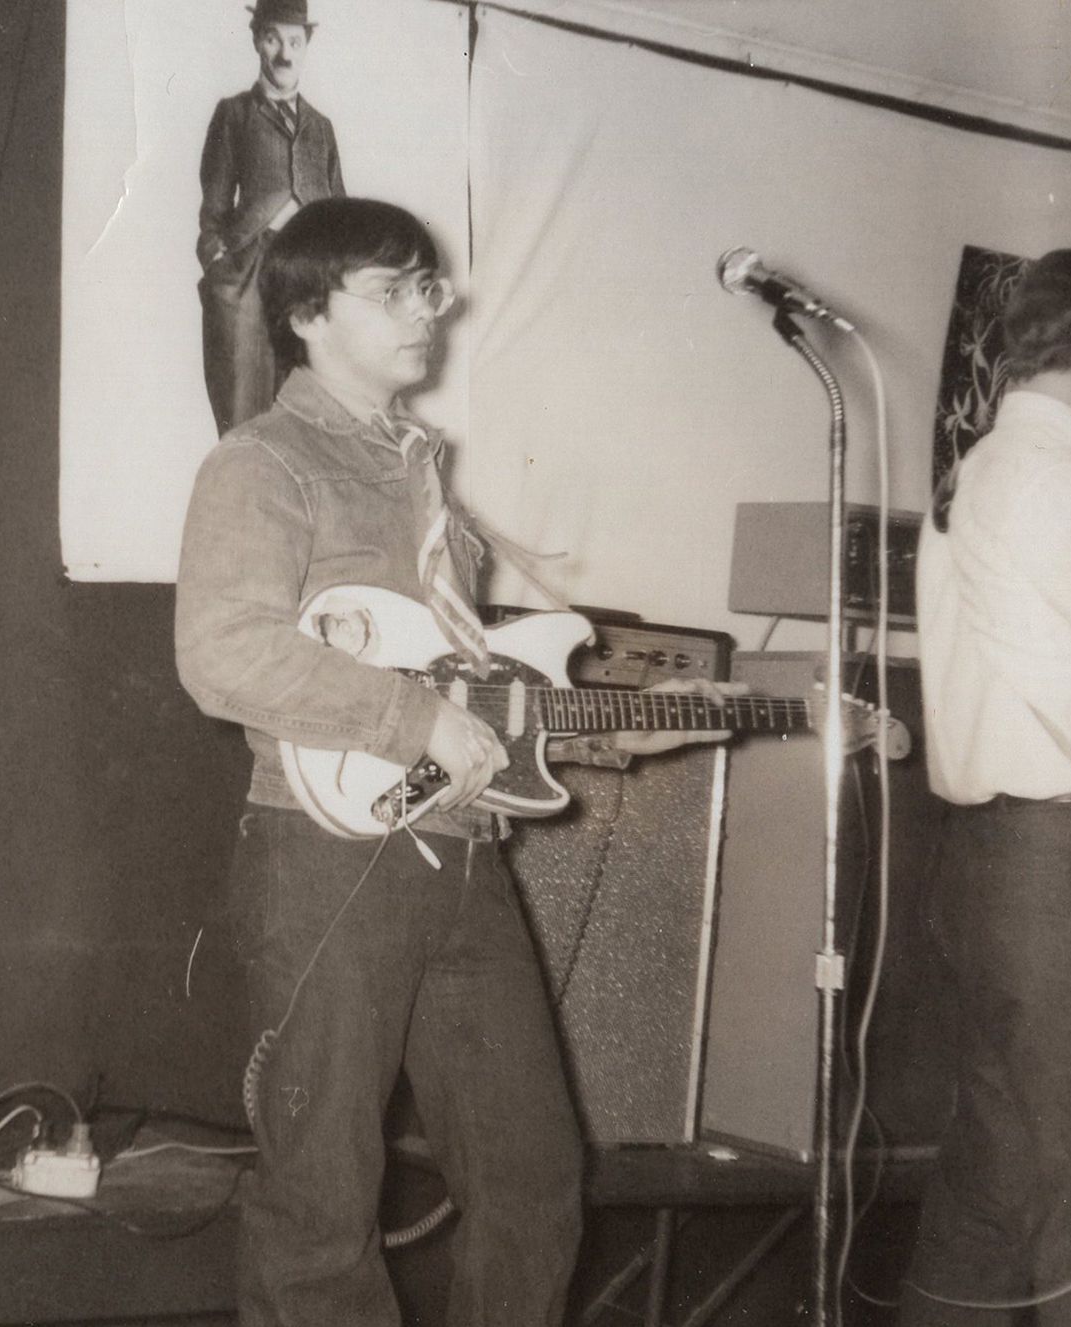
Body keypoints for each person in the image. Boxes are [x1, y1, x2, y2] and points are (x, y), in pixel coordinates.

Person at [175, 196, 725, 1325]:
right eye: (393, 292)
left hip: (463, 857)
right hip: (324, 858)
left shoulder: (423, 476)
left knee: (534, 1184)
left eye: (427, 287)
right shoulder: (265, 462)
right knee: (321, 1202)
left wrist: (611, 728)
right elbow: (222, 653)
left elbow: (476, 696)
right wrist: (411, 719)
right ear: (306, 315)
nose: (427, 311)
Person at [904, 246, 1071, 1326]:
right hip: (1060, 875)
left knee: (991, 1193)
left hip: (979, 869)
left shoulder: (972, 476)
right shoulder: (1069, 488)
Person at [196, 0, 344, 437]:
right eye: (273, 39)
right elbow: (214, 208)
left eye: (295, 42)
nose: (284, 53)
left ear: (306, 45)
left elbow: (339, 208)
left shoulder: (321, 127)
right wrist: (218, 261)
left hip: (309, 272)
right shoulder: (234, 113)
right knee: (242, 403)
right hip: (248, 270)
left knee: (309, 403)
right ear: (257, 41)